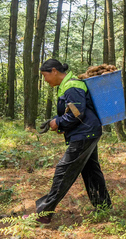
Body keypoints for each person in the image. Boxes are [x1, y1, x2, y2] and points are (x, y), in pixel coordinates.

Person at [34, 59, 111, 224]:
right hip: (88, 132)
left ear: (54, 71)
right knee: (91, 171)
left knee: (63, 171)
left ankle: (44, 213)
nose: (45, 80)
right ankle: (103, 206)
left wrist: (58, 122)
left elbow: (77, 114)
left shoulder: (72, 86)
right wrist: (57, 123)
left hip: (84, 134)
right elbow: (73, 111)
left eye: (45, 75)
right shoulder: (68, 85)